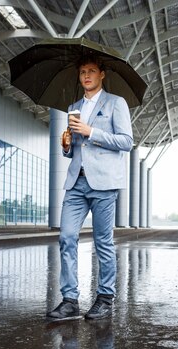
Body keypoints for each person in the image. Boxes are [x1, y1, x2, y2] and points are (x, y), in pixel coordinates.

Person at [46, 55, 133, 321]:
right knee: (66, 237)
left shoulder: (116, 103)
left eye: (92, 71)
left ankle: (105, 297)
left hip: (104, 184)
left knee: (103, 242)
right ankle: (70, 300)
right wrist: (65, 144)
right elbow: (73, 150)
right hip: (76, 182)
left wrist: (91, 130)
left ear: (101, 75)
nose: (86, 75)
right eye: (83, 71)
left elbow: (126, 141)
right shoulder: (73, 107)